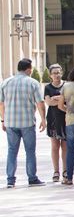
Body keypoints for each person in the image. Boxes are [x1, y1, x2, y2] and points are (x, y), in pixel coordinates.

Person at [0, 58, 46, 188]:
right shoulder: (33, 83)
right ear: (28, 69)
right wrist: (43, 119)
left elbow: (1, 103)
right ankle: (32, 178)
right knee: (30, 151)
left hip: (10, 122)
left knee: (12, 151)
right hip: (27, 122)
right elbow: (40, 102)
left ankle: (10, 180)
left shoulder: (6, 82)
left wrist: (3, 119)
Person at [44, 64, 68, 182]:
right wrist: (60, 99)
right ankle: (56, 171)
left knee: (65, 146)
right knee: (55, 146)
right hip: (53, 120)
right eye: (54, 73)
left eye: (58, 72)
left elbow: (69, 101)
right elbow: (49, 102)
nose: (57, 75)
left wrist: (56, 98)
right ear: (50, 75)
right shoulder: (47, 87)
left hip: (65, 119)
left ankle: (65, 170)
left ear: (61, 73)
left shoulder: (67, 85)